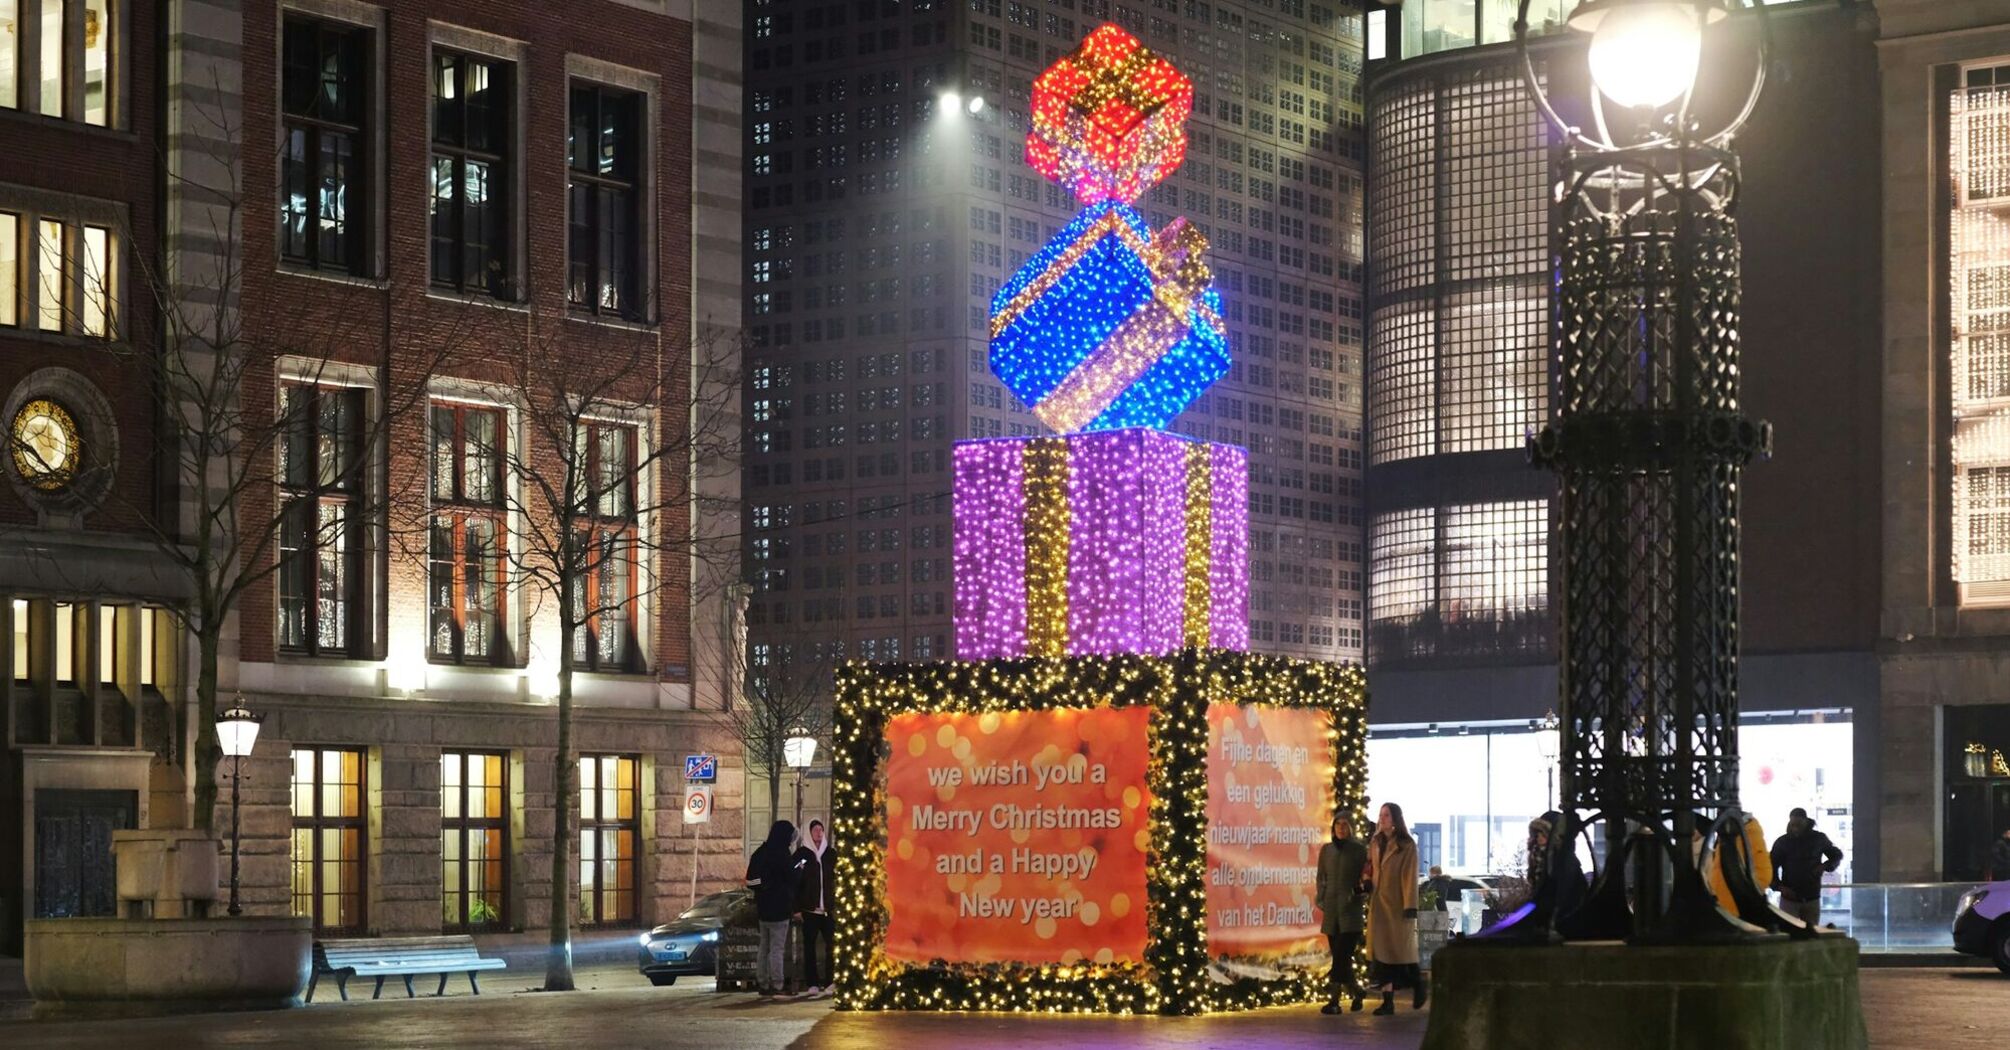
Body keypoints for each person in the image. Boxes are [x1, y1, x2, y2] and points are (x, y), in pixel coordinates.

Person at [1365, 802, 1422, 1016]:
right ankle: (1387, 1001)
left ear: (1395, 818)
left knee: (1399, 952)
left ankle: (1418, 983)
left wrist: (1410, 905)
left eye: (1386, 815)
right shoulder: (1376, 842)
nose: (1382, 819)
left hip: (1397, 905)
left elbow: (1409, 876)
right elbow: (1369, 865)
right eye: (1381, 815)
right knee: (1382, 955)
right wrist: (1366, 880)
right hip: (1379, 904)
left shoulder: (1406, 845)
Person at [1315, 812, 1370, 1014]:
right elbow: (1321, 877)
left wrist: (1357, 895)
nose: (1341, 828)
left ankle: (1334, 1001)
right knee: (1341, 959)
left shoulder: (1359, 850)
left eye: (1345, 824)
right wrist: (1321, 898)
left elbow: (1366, 877)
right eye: (1338, 824)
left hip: (1350, 913)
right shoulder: (1327, 850)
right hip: (1331, 911)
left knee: (1341, 957)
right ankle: (1357, 992)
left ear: (1351, 827)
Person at [745, 819, 802, 996]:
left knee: (764, 947)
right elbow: (792, 878)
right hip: (780, 909)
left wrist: (764, 887)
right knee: (777, 948)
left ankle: (763, 983)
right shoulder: (783, 855)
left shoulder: (760, 853)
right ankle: (777, 984)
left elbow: (750, 881)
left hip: (763, 909)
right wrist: (799, 869)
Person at [1770, 807, 1843, 928]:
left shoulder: (1783, 842)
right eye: (1793, 825)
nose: (1795, 828)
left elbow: (1771, 866)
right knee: (1810, 932)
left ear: (1805, 822)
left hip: (1796, 896)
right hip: (1805, 895)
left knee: (1790, 932)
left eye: (1798, 825)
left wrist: (1779, 886)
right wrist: (1779, 887)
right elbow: (1836, 855)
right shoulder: (1818, 839)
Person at [793, 819, 837, 998]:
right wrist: (796, 908)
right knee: (809, 947)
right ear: (809, 833)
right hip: (810, 911)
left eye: (821, 830)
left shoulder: (830, 854)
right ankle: (812, 983)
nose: (818, 833)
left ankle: (830, 981)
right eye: (815, 830)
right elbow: (794, 881)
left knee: (832, 946)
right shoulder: (802, 854)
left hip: (827, 910)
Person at [1704, 813, 1773, 918]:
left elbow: (1763, 875)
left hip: (1739, 911)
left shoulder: (1748, 835)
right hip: (1725, 908)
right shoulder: (1728, 837)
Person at [1526, 811, 1586, 924]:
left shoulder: (1561, 859)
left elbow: (1565, 892)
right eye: (1537, 833)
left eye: (1543, 833)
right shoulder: (1538, 856)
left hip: (1559, 917)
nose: (1539, 837)